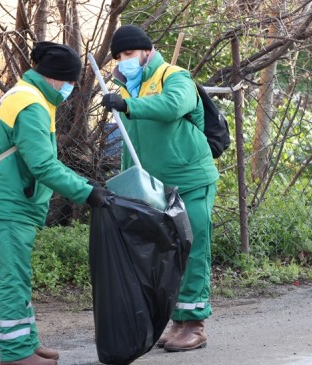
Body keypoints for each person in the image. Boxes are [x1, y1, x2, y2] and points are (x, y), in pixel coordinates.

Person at [0, 41, 112, 365]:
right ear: (54, 77)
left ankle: (28, 343)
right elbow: (42, 166)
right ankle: (16, 354)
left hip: (12, 201)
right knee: (12, 282)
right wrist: (87, 194)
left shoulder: (30, 96)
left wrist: (84, 182)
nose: (73, 88)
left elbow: (40, 159)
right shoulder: (31, 104)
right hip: (7, 205)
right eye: (71, 81)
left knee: (19, 276)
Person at [100, 25, 219, 352]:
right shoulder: (125, 87)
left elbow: (172, 106)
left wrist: (129, 106)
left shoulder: (175, 76)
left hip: (191, 180)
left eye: (129, 53)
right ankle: (177, 320)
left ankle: (195, 324)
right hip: (154, 188)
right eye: (120, 56)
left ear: (147, 51)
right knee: (166, 255)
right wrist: (125, 185)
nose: (124, 61)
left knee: (193, 248)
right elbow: (129, 144)